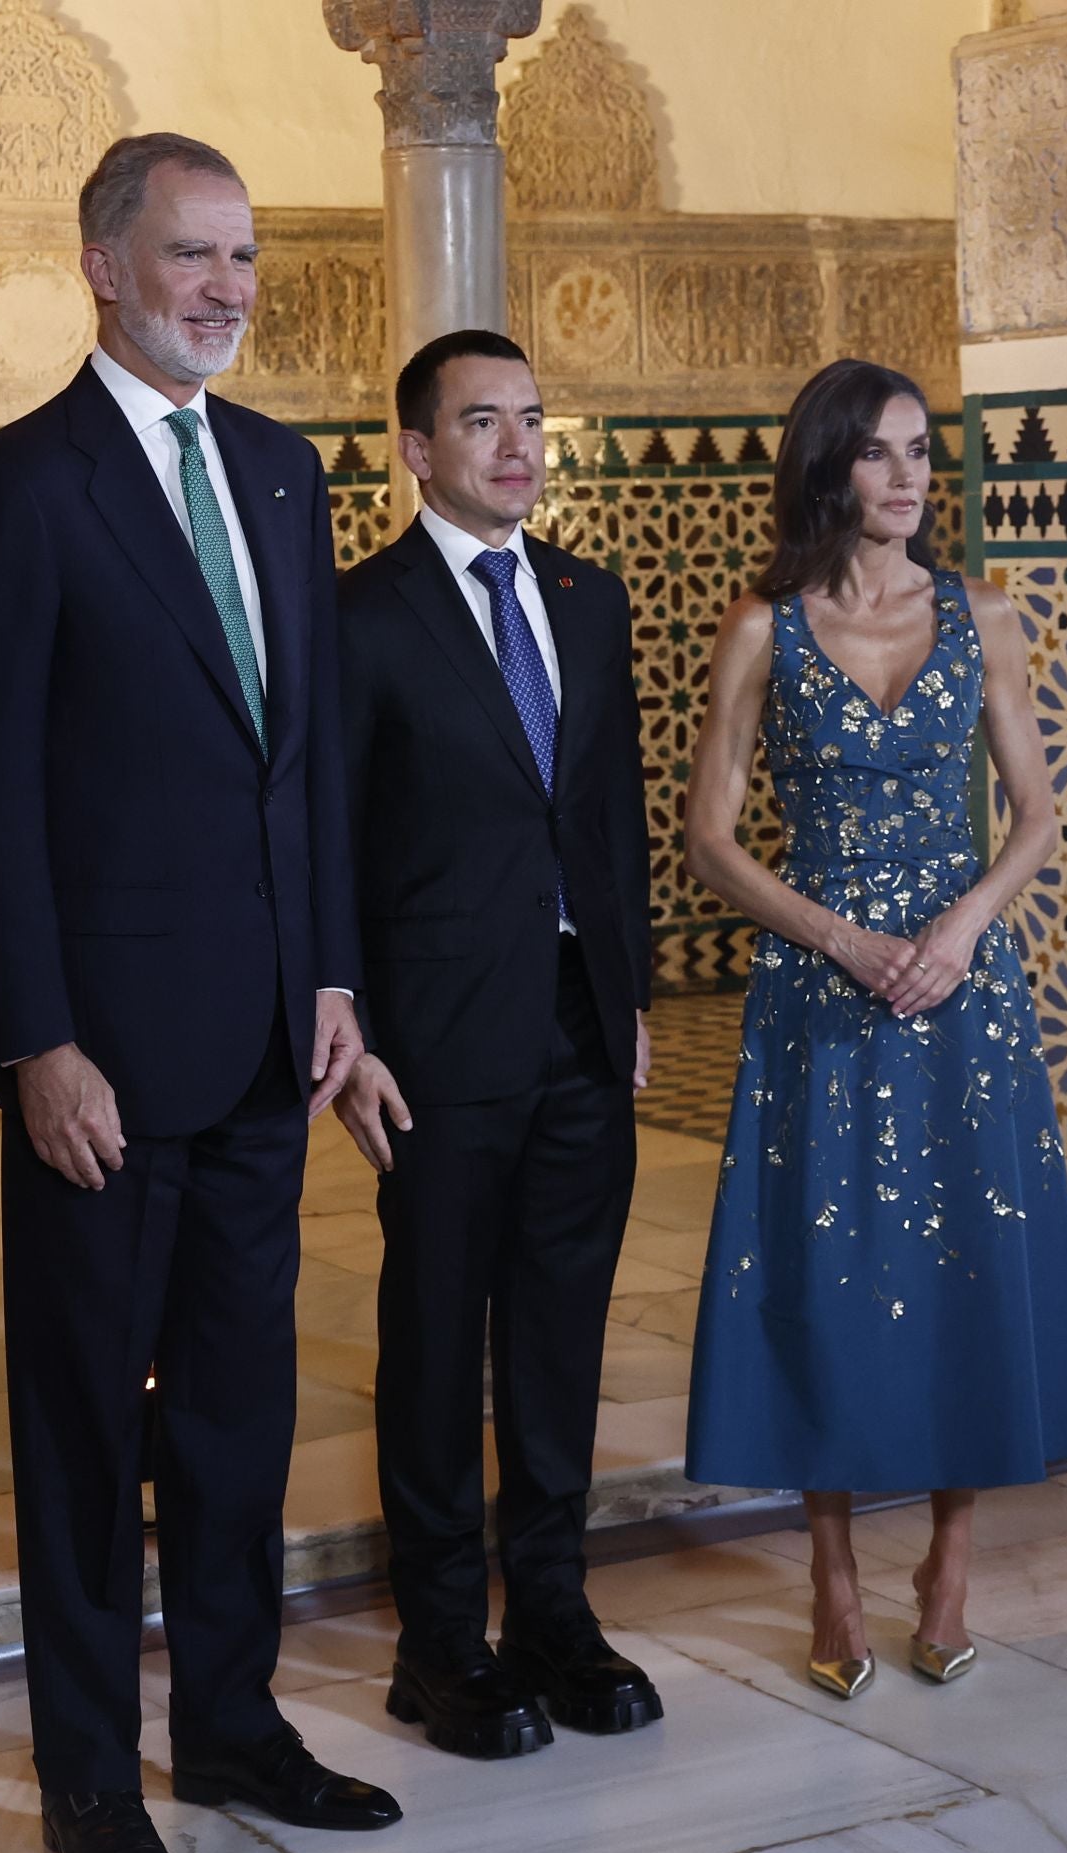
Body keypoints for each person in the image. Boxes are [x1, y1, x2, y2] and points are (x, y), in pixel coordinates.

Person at [0, 132, 401, 1853]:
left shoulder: (282, 473)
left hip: (271, 1043)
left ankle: (232, 1723)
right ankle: (83, 1779)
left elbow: (311, 779)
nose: (225, 289)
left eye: (246, 259)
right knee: (80, 1432)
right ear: (104, 264)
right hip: (100, 1068)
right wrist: (33, 1038)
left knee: (232, 1414)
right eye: (192, 256)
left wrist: (335, 983)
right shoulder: (22, 489)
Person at [684, 357, 1067, 1699]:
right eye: (878, 453)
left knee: (970, 1272)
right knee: (824, 1284)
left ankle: (950, 1568)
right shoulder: (762, 629)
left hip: (961, 1002)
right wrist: (839, 938)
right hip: (819, 1001)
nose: (910, 475)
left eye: (922, 450)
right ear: (828, 469)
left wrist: (962, 928)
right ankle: (832, 1575)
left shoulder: (984, 615)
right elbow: (706, 839)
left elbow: (1033, 815)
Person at [333, 330, 663, 1759]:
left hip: (580, 1029)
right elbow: (323, 841)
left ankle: (553, 1613)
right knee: (432, 1336)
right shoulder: (355, 615)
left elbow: (609, 817)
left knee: (556, 1329)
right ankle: (436, 1640)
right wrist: (343, 1031)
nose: (517, 446)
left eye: (530, 419)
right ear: (416, 449)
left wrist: (635, 994)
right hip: (435, 1037)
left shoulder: (591, 602)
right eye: (482, 423)